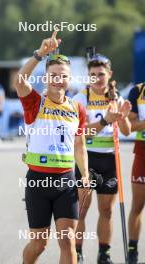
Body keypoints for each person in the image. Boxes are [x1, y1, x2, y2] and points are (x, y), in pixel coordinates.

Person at [15, 30, 90, 264]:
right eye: (54, 75)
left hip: (66, 181)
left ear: (69, 79)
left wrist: (85, 175)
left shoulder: (77, 109)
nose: (59, 79)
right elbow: (20, 81)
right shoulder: (35, 103)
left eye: (63, 75)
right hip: (38, 181)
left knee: (67, 241)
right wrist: (39, 54)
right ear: (46, 78)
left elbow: (79, 145)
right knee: (39, 244)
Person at [73, 54, 131, 264]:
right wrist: (106, 120)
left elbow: (126, 132)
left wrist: (121, 116)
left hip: (109, 160)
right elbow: (80, 134)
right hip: (86, 159)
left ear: (110, 75)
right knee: (81, 209)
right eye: (93, 75)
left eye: (101, 74)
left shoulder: (116, 97)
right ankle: (77, 252)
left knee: (106, 210)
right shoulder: (81, 98)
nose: (97, 78)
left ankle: (103, 253)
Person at [127, 82, 145, 264]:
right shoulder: (138, 91)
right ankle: (132, 250)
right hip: (143, 151)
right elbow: (129, 125)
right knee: (137, 205)